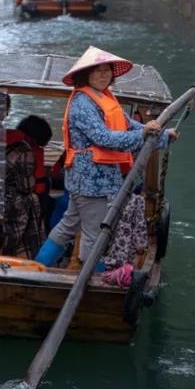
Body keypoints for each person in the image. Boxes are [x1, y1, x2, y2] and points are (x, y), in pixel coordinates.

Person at [34, 46, 176, 268]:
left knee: (69, 224)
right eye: (97, 71)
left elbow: (130, 125)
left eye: (107, 70)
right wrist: (143, 134)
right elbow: (104, 138)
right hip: (90, 182)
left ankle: (39, 266)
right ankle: (94, 278)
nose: (104, 75)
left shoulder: (106, 97)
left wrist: (164, 136)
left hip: (96, 181)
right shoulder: (82, 103)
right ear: (85, 75)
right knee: (95, 233)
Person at [1, 116, 52, 258]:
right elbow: (27, 187)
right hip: (10, 200)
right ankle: (29, 251)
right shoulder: (24, 151)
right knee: (34, 200)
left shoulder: (5, 141)